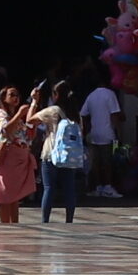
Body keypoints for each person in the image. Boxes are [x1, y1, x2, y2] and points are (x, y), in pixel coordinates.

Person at [36, 85, 88, 222]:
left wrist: (34, 101)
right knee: (69, 189)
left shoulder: (53, 111)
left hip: (50, 154)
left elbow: (30, 120)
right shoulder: (76, 116)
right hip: (69, 156)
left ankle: (45, 220)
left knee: (49, 188)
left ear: (56, 95)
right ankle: (69, 220)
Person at [0, 86, 38, 225]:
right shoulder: (0, 113)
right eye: (12, 95)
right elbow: (5, 130)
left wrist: (34, 104)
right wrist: (20, 113)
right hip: (7, 156)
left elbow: (28, 134)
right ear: (4, 98)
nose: (16, 97)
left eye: (17, 95)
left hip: (19, 157)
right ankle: (5, 223)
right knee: (4, 191)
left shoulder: (18, 117)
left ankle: (14, 222)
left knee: (15, 194)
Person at [79, 70, 125, 199]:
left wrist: (85, 130)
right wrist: (119, 133)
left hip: (94, 133)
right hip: (107, 132)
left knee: (96, 162)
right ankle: (108, 186)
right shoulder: (110, 95)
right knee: (107, 162)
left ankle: (98, 186)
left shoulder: (91, 95)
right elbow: (114, 115)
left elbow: (83, 114)